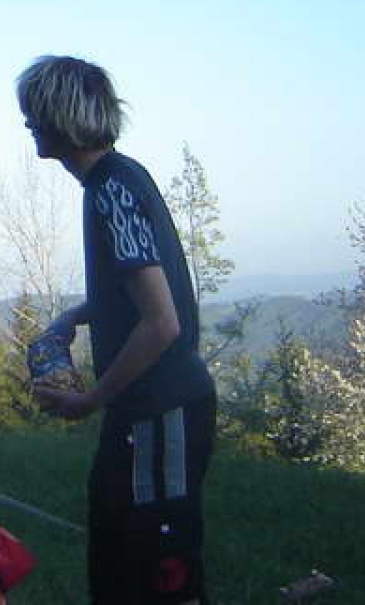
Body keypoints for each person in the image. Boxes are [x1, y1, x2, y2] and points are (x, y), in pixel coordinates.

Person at [17, 55, 217, 605]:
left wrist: (90, 400)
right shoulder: (116, 180)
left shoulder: (112, 190)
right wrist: (71, 317)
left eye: (35, 111)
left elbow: (161, 322)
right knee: (116, 558)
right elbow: (138, 291)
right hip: (140, 413)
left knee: (161, 575)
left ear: (62, 116)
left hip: (162, 411)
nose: (28, 122)